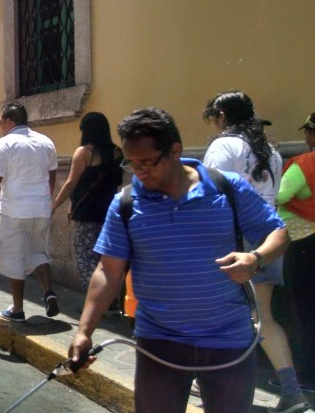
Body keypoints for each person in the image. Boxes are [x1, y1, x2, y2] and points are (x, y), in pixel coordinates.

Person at [68, 107, 290, 413]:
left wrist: (255, 258)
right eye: (132, 164)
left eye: (147, 163)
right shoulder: (127, 203)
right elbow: (108, 271)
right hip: (159, 343)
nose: (140, 173)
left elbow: (278, 233)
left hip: (228, 341)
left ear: (175, 151)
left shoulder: (226, 188)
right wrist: (84, 331)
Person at [202, 92, 310, 413]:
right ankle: (291, 391)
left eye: (213, 117)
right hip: (269, 238)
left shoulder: (224, 146)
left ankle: (225, 387)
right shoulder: (272, 151)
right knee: (262, 316)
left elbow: (209, 192)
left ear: (222, 115)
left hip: (235, 240)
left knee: (223, 316)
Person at [0, 102, 59, 322]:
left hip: (14, 210)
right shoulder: (46, 142)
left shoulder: (5, 144)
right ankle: (48, 291)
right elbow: (51, 176)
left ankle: (17, 309)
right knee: (38, 251)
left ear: (9, 121)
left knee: (13, 257)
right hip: (40, 209)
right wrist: (46, 199)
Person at [52, 112, 124, 290]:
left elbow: (71, 184)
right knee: (105, 258)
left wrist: (54, 206)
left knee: (85, 257)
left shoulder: (84, 153)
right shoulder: (117, 152)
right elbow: (118, 183)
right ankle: (112, 299)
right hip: (109, 213)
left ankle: (97, 300)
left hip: (86, 215)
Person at [277, 112, 315, 396]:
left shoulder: (303, 164)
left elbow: (278, 196)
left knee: (303, 313)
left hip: (304, 245)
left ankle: (307, 377)